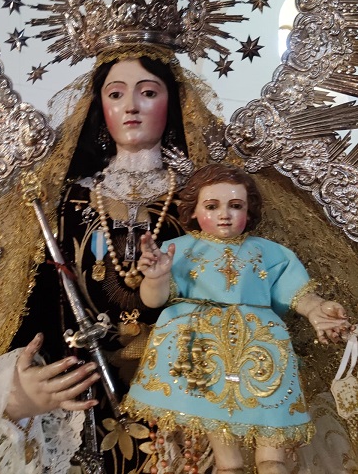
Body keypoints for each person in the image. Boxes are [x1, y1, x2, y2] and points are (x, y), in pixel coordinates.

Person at [0, 45, 219, 474]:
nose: (131, 106)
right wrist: (19, 387)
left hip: (188, 396)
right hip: (82, 395)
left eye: (148, 92)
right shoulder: (65, 199)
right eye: (116, 94)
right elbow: (30, 302)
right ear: (99, 106)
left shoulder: (207, 200)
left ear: (174, 102)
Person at [123, 163, 353, 474]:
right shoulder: (179, 250)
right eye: (212, 206)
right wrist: (156, 276)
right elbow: (154, 300)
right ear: (193, 210)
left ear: (249, 209)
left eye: (235, 205)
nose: (224, 215)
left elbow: (295, 293)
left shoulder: (270, 253)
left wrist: (316, 309)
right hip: (203, 354)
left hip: (261, 352)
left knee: (272, 454)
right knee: (227, 459)